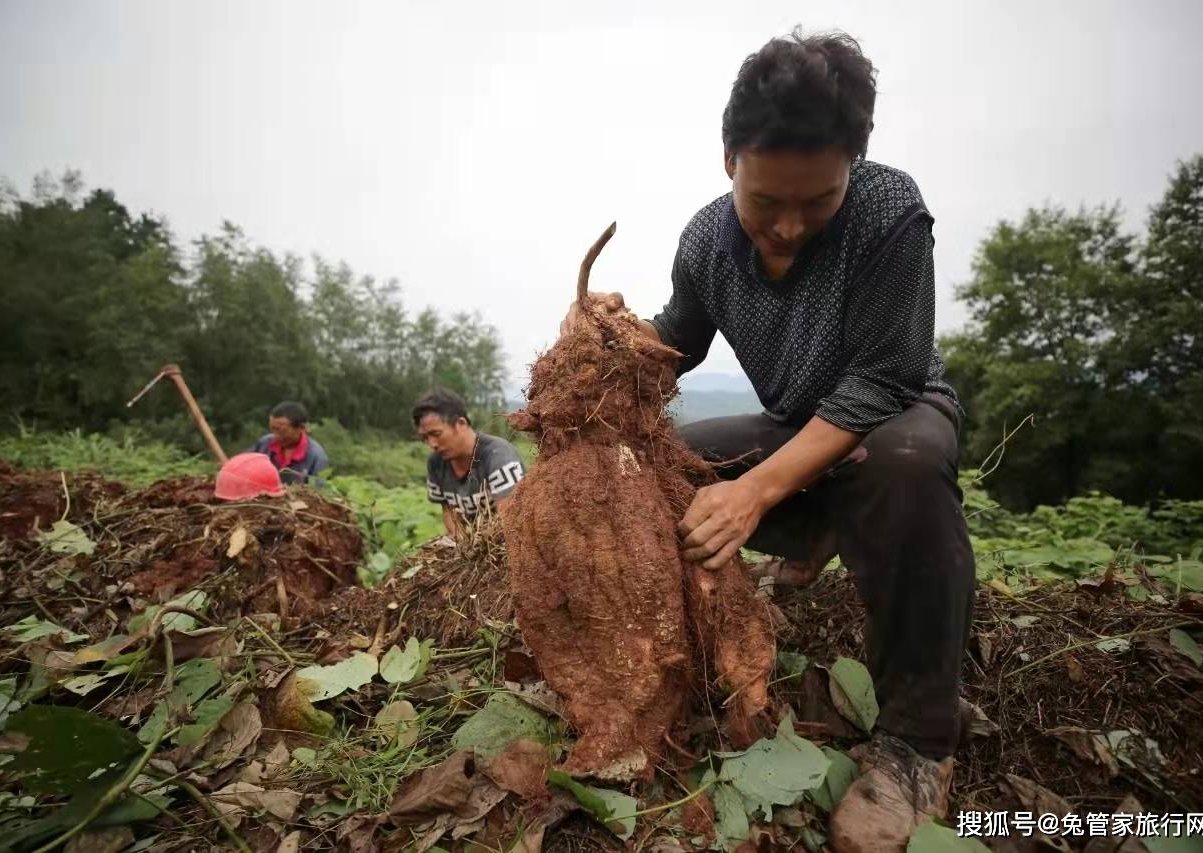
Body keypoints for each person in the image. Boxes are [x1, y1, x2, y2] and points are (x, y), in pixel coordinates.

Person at [562, 30, 975, 853]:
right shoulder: (707, 239)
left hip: (895, 412)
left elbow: (879, 382)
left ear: (853, 167)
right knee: (657, 459)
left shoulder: (891, 212)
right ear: (729, 163)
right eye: (765, 203)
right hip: (796, 425)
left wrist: (756, 489)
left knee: (901, 463)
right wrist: (608, 344)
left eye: (816, 202)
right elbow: (679, 337)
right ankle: (803, 541)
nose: (787, 227)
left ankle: (918, 745)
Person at [412, 388, 525, 537]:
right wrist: (464, 547)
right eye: (425, 437)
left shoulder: (499, 456)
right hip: (475, 547)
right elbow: (449, 513)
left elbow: (512, 523)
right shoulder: (436, 463)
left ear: (461, 423)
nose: (431, 444)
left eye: (436, 434)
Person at [251, 401, 330, 486]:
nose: (275, 435)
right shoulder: (264, 443)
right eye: (272, 429)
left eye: (281, 430)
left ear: (301, 428)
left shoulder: (317, 457)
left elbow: (318, 492)